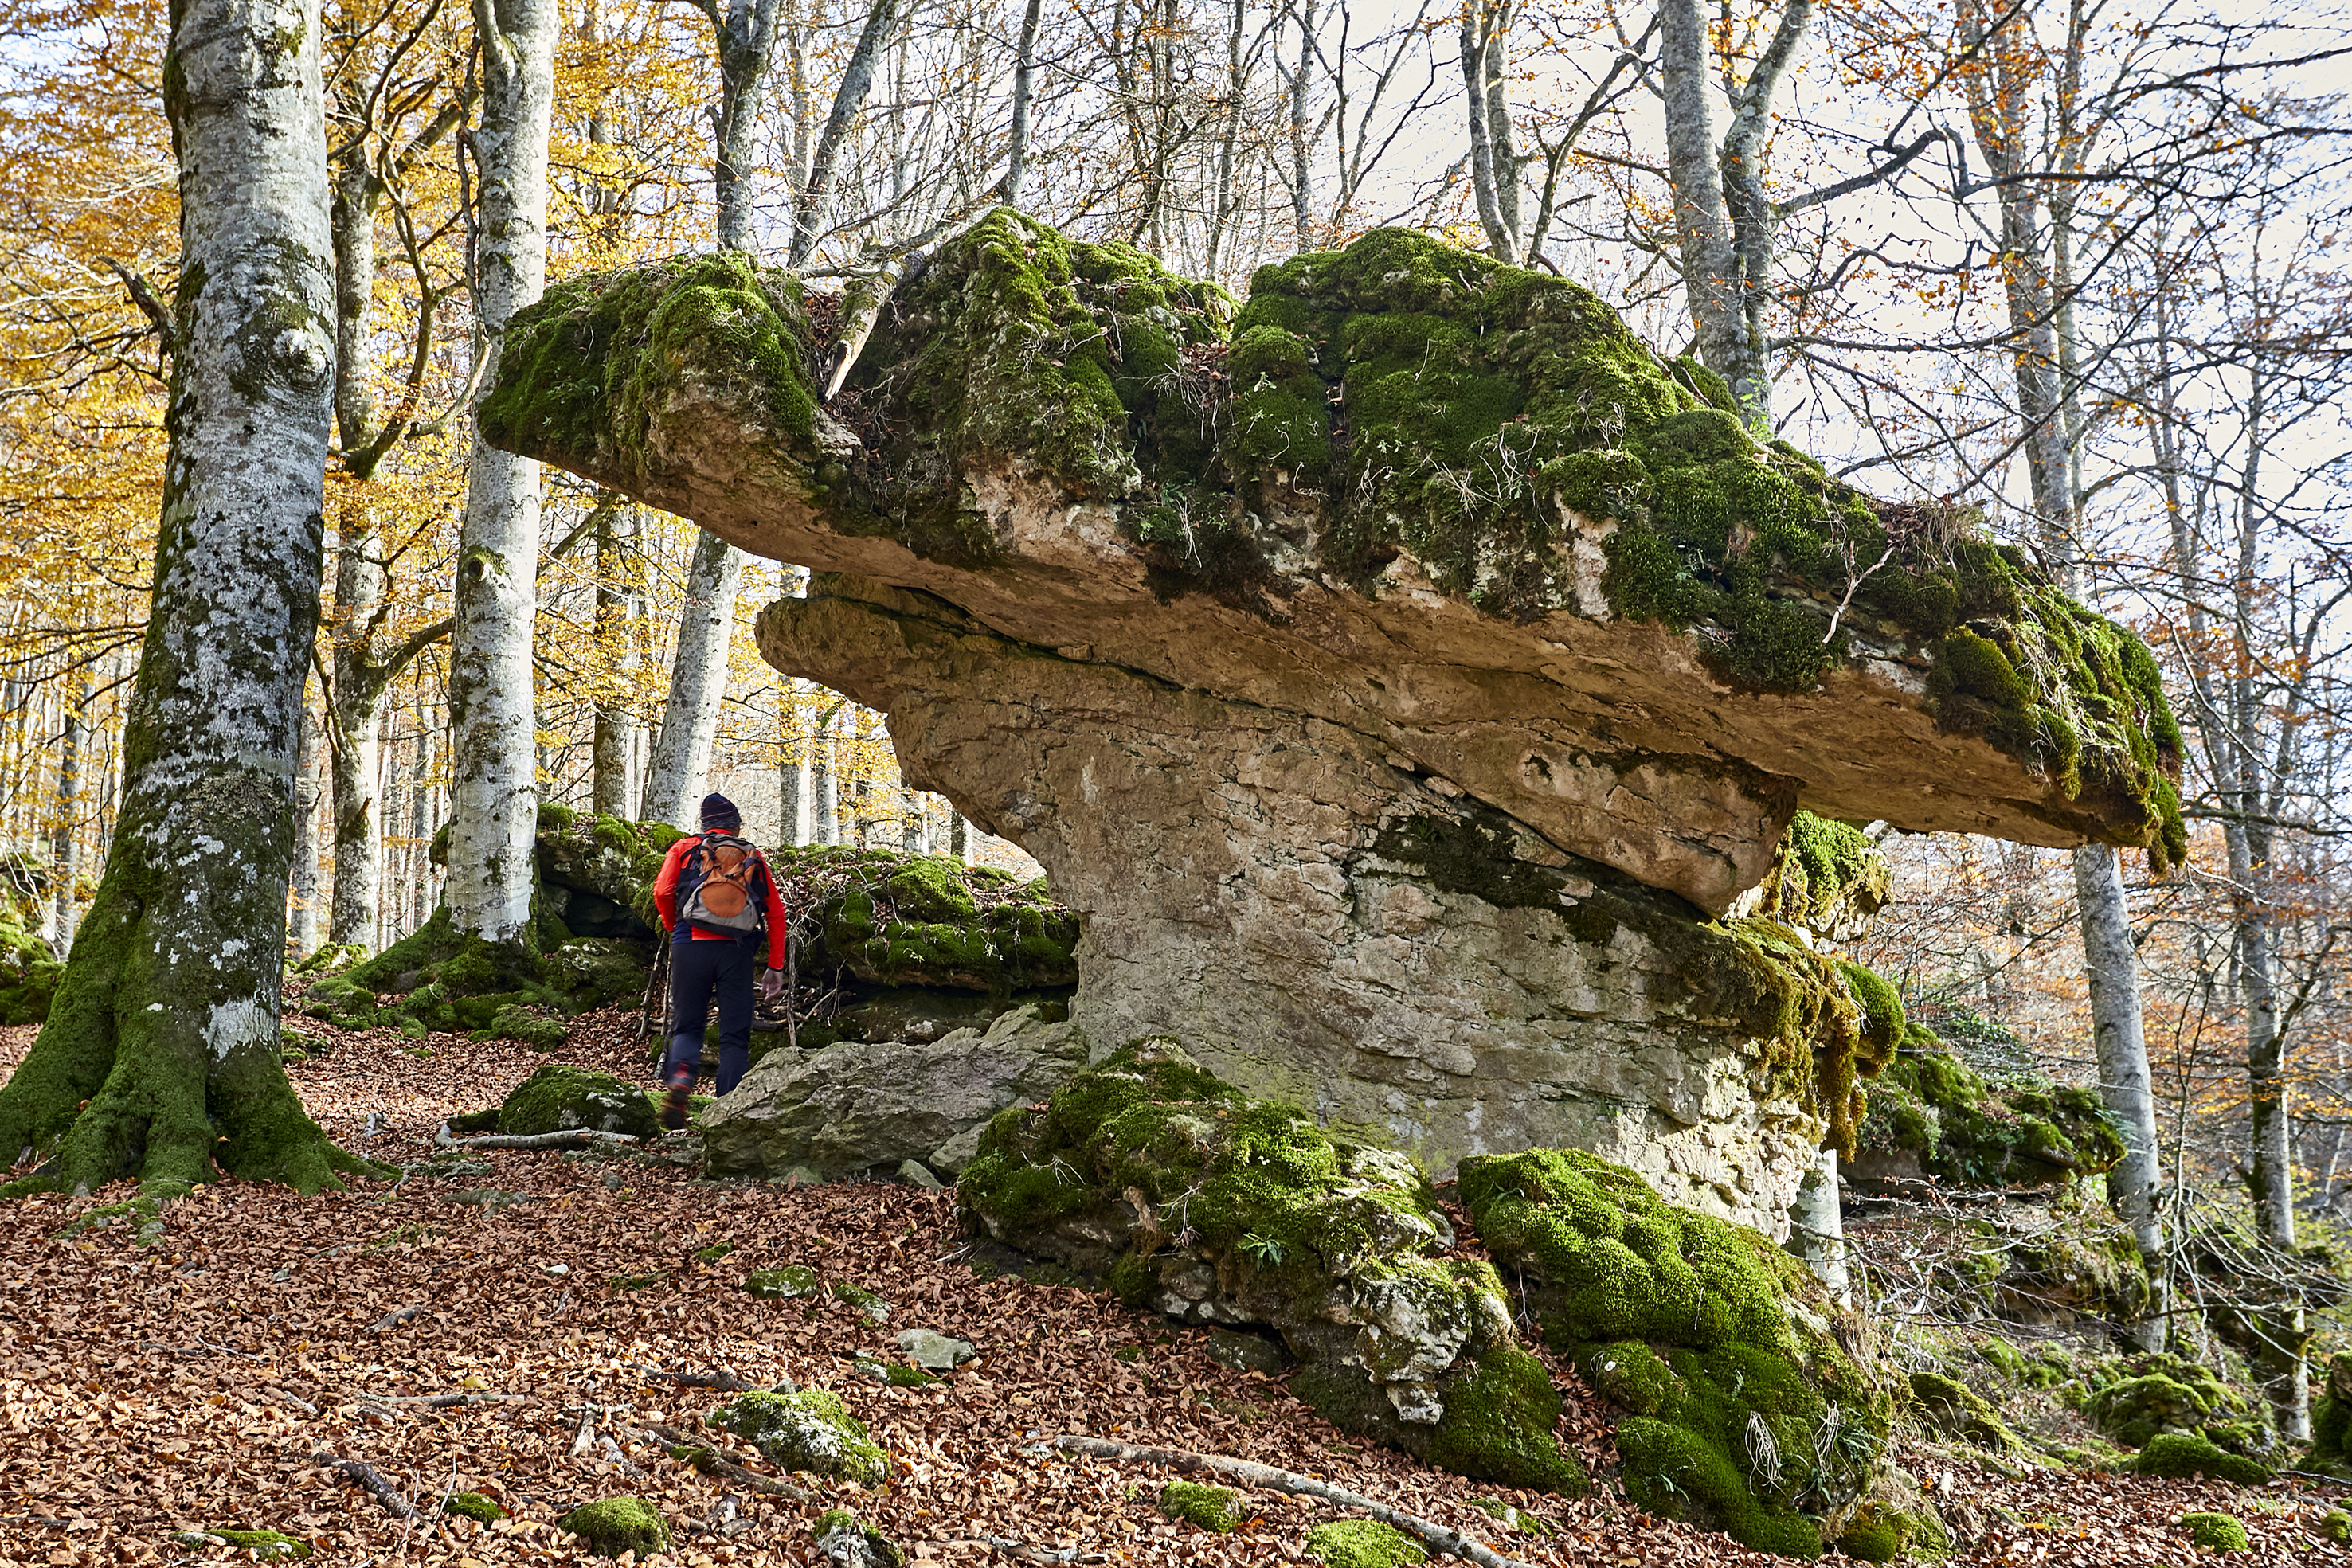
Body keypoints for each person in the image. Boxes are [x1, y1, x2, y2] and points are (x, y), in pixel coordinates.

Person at [651, 792, 789, 1129]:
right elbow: (776, 912)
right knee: (734, 1034)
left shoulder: (684, 849)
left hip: (690, 944)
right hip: (736, 950)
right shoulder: (751, 856)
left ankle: (682, 1077)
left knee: (687, 1025)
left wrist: (676, 928)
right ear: (736, 826)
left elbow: (663, 892)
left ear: (705, 825)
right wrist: (775, 966)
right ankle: (726, 1112)